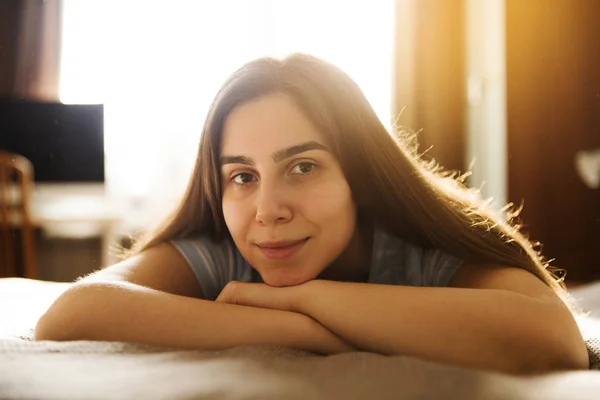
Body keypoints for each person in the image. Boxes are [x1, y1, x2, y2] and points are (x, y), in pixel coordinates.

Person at [35, 53, 589, 374]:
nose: (268, 211)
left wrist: (301, 295)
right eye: (242, 177)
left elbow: (554, 339)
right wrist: (302, 331)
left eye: (302, 167)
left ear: (360, 175)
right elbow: (70, 313)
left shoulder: (419, 253)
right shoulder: (217, 251)